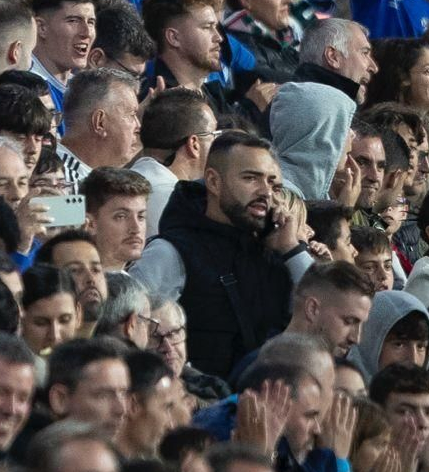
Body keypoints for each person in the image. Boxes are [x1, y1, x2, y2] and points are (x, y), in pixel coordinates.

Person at [130, 131, 311, 381]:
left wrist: (292, 249)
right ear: (214, 182)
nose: (266, 192)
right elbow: (130, 335)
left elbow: (323, 311)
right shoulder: (170, 252)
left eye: (274, 184)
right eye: (251, 178)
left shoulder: (275, 251)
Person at [127, 87, 215, 228]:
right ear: (194, 144)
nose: (217, 143)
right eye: (214, 135)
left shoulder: (131, 178)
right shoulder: (172, 197)